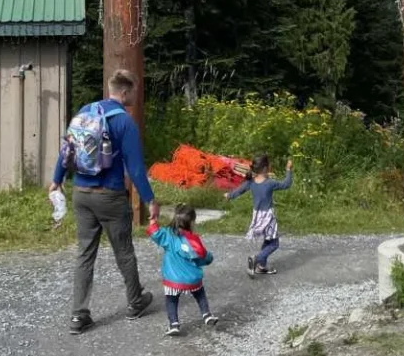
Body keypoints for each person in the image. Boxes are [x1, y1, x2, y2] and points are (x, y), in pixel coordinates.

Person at [49, 69, 159, 334]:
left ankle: (79, 315)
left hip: (82, 194)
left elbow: (67, 150)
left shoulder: (85, 112)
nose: (135, 95)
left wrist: (57, 179)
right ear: (125, 92)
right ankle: (135, 302)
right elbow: (135, 168)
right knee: (124, 251)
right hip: (110, 196)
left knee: (85, 253)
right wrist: (150, 200)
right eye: (133, 91)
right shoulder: (124, 122)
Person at [147, 204, 218, 337]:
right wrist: (210, 258)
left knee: (171, 300)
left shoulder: (167, 235)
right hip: (192, 278)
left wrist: (153, 219)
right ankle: (207, 315)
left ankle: (174, 324)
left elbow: (154, 232)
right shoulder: (194, 240)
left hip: (173, 279)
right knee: (200, 294)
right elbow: (204, 257)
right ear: (192, 222)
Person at [226, 154, 293, 277]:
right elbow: (286, 184)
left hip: (257, 215)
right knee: (274, 244)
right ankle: (256, 259)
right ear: (265, 168)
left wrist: (229, 196)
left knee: (268, 240)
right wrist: (288, 169)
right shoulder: (270, 183)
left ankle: (261, 267)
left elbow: (239, 190)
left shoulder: (251, 182)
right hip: (268, 216)